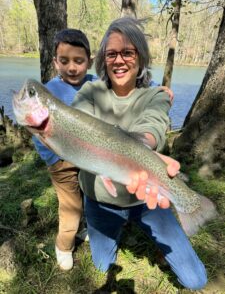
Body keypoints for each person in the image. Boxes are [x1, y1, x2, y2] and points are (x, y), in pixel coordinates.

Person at [72, 17, 207, 290]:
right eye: (111, 53)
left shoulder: (156, 95)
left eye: (128, 52)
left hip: (147, 201)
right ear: (103, 60)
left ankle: (151, 225)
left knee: (196, 280)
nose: (119, 60)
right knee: (101, 265)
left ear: (140, 56)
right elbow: (76, 125)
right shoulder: (89, 92)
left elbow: (152, 125)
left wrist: (144, 146)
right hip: (100, 201)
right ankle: (113, 228)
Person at [32, 28, 97, 271]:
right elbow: (38, 131)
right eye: (65, 61)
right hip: (61, 162)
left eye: (79, 61)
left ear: (89, 61)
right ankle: (64, 245)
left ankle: (88, 227)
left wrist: (157, 88)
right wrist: (53, 158)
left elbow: (131, 85)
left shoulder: (96, 84)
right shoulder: (46, 92)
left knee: (91, 195)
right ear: (55, 62)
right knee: (71, 207)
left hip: (90, 157)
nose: (72, 67)